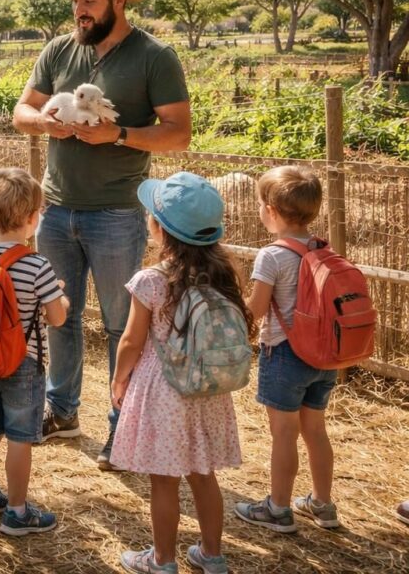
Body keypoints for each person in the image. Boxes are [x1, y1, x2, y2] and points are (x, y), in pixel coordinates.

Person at [12, 0, 192, 470]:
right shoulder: (58, 50)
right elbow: (21, 111)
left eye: (88, 1)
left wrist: (119, 135)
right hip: (56, 210)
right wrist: (45, 124)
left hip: (116, 213)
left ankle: (122, 428)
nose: (79, 12)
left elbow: (178, 134)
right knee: (59, 316)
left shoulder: (154, 56)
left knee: (120, 325)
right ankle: (63, 411)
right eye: (75, 2)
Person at [112, 173, 250, 574]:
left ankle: (163, 560)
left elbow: (132, 340)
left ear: (159, 228)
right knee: (203, 475)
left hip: (165, 390)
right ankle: (212, 555)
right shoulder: (223, 274)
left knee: (164, 480)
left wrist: (119, 378)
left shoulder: (152, 281)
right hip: (207, 389)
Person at [235, 166, 342, 533]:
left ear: (271, 210)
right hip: (324, 356)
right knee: (316, 430)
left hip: (285, 354)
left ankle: (278, 508)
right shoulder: (322, 248)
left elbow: (257, 309)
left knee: (284, 434)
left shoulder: (272, 256)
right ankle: (322, 503)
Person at [0, 168, 69, 537]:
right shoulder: (37, 265)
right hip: (23, 363)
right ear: (31, 218)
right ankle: (17, 510)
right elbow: (56, 318)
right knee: (20, 438)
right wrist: (61, 298)